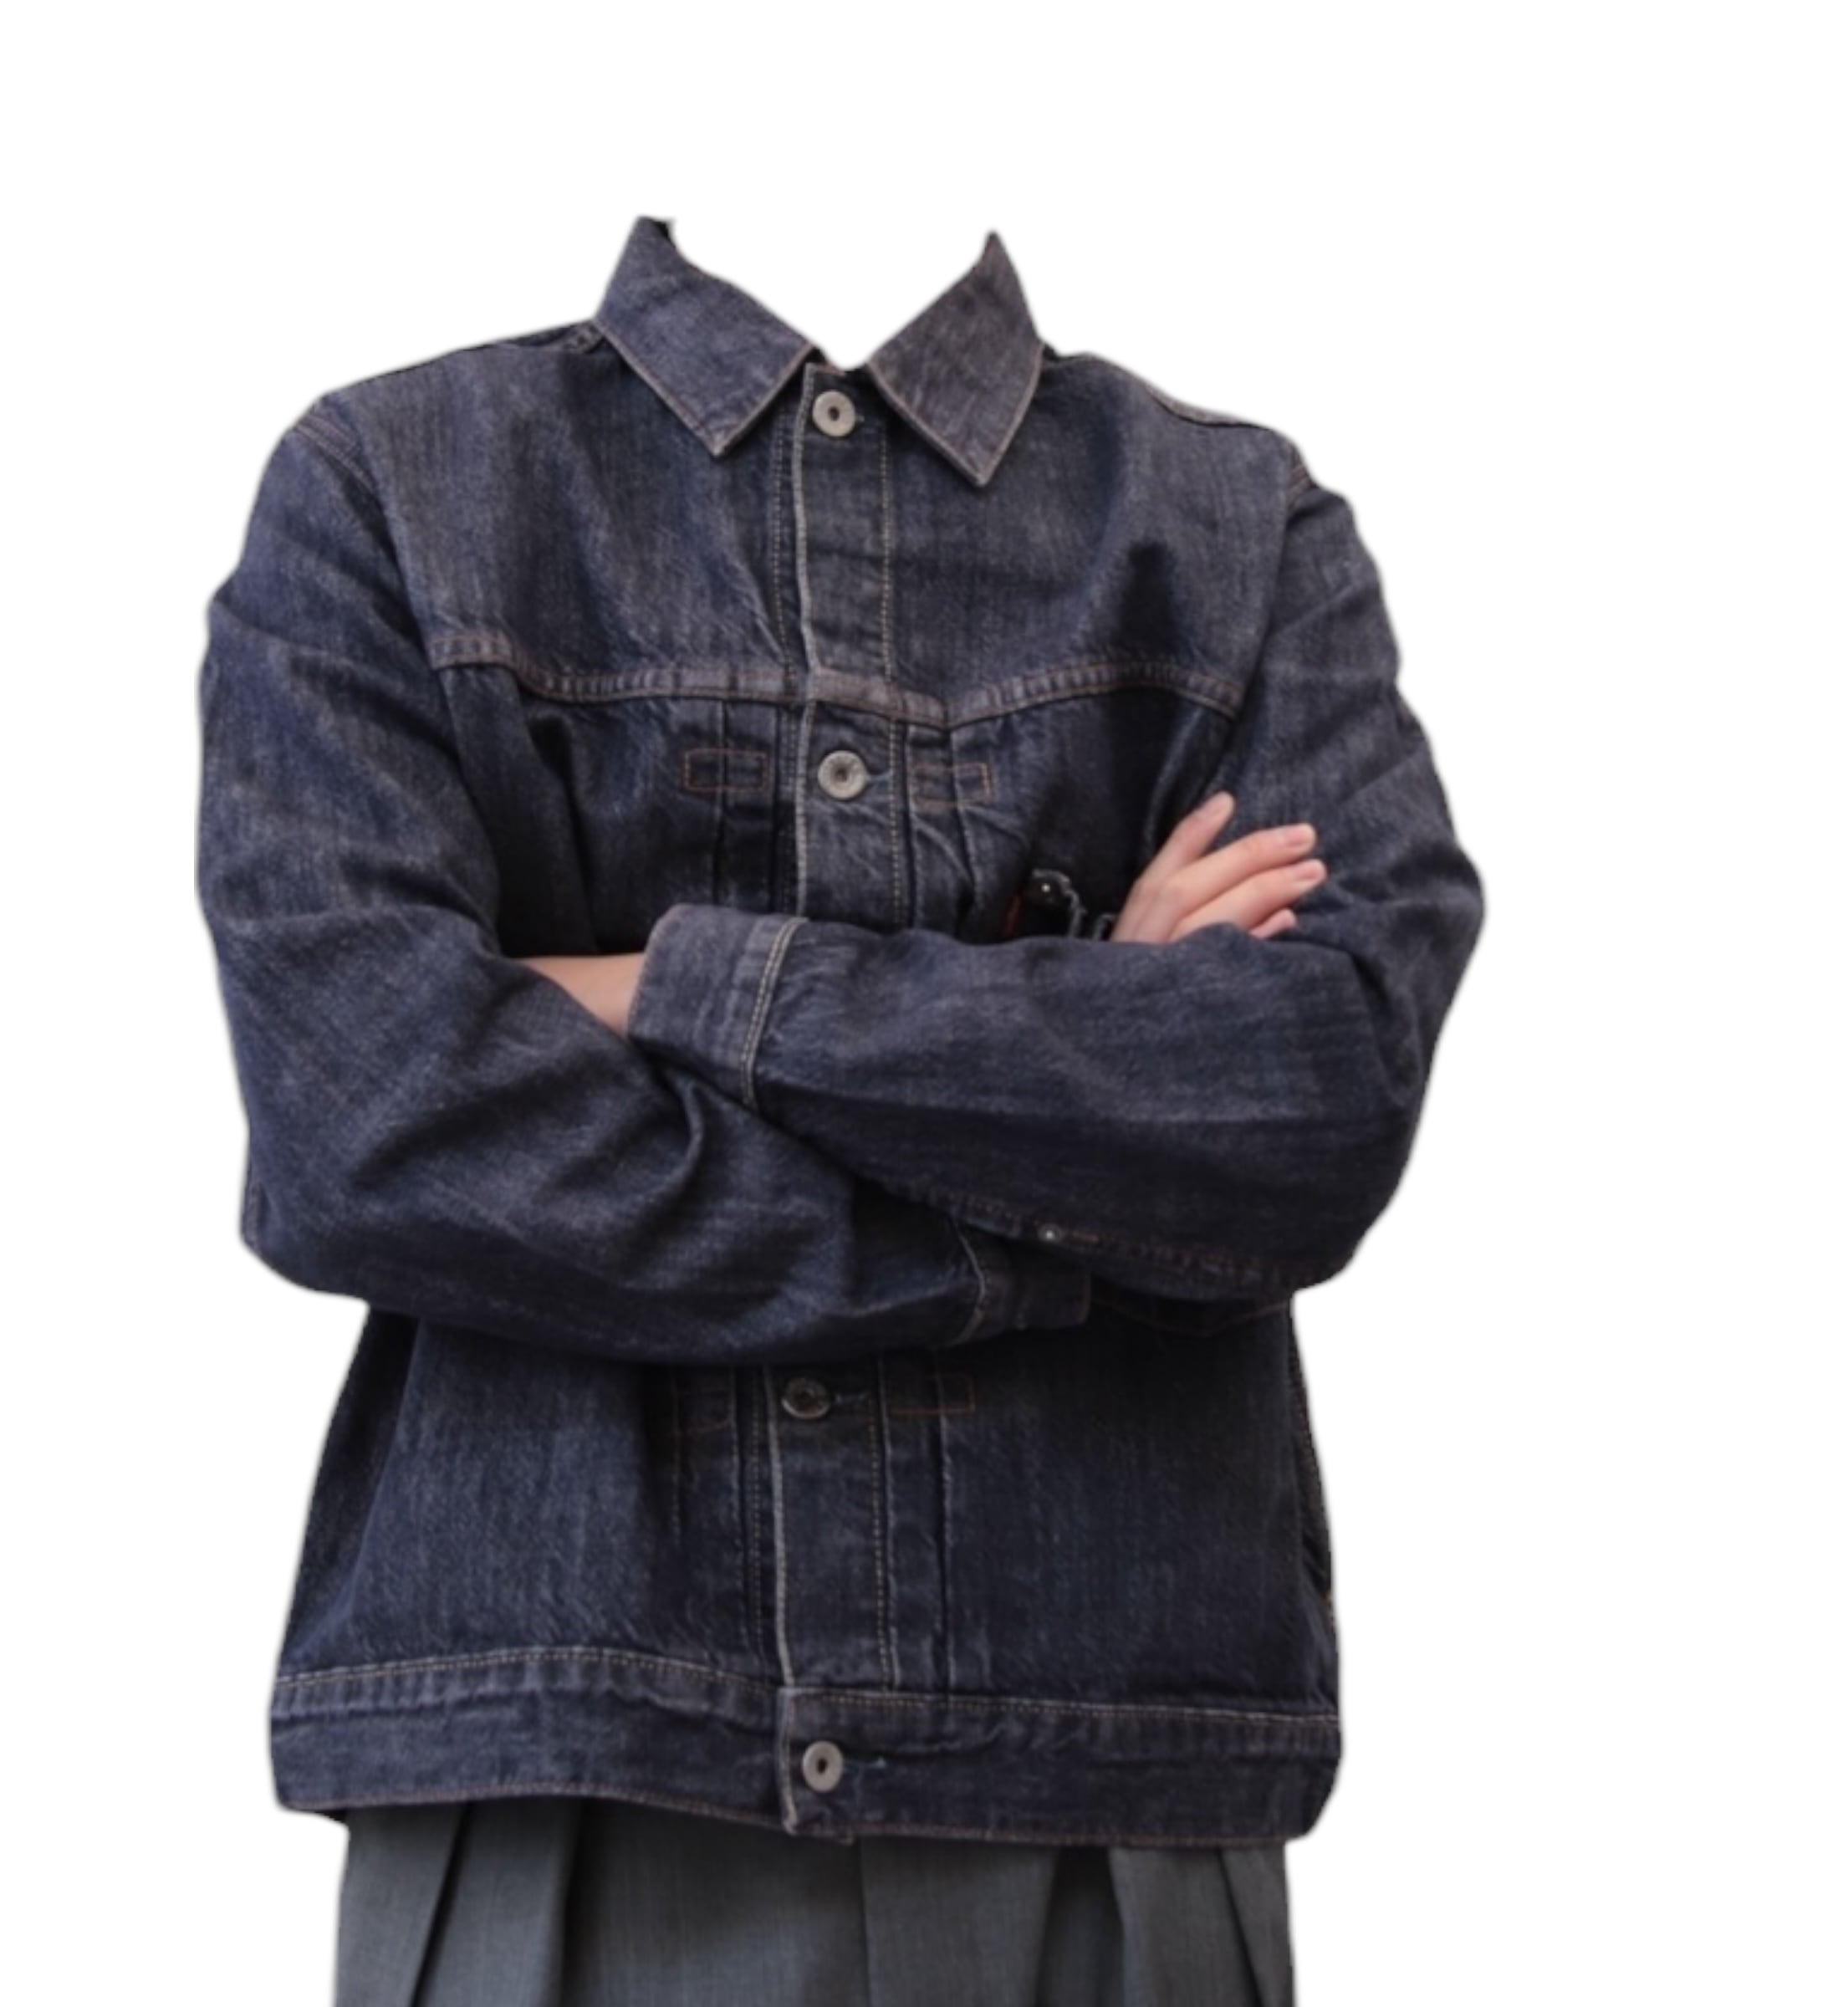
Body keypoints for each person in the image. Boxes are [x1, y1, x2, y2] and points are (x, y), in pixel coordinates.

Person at [194, 216, 1486, 2005]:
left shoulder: (1234, 526)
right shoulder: (394, 485)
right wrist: (1069, 1167)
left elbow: (1315, 1101)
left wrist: (658, 983)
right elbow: (374, 1126)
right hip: (564, 1744)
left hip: (1105, 1753)